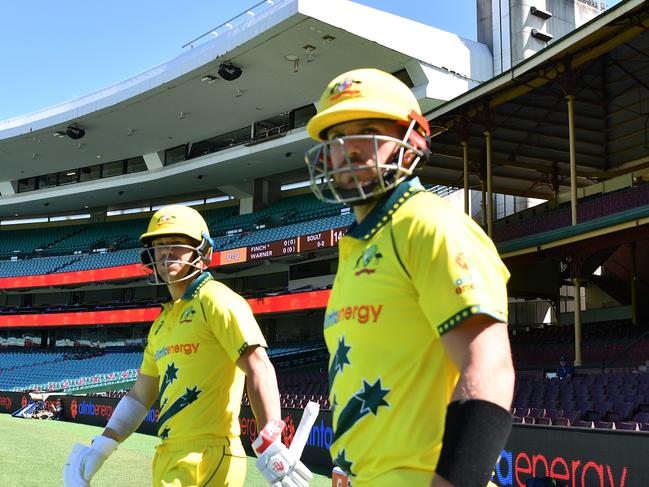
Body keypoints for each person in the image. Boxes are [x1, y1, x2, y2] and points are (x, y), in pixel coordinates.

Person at [304, 68, 515, 487]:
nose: (346, 149)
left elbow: (490, 370)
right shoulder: (357, 247)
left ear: (411, 140)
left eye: (366, 130)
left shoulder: (430, 225)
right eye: (334, 137)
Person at [64, 205, 311, 486]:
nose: (166, 252)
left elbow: (259, 367)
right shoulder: (162, 322)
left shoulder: (217, 300)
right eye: (158, 245)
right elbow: (140, 396)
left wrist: (272, 439)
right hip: (169, 453)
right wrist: (103, 446)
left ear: (201, 252)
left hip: (209, 455)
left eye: (177, 244)